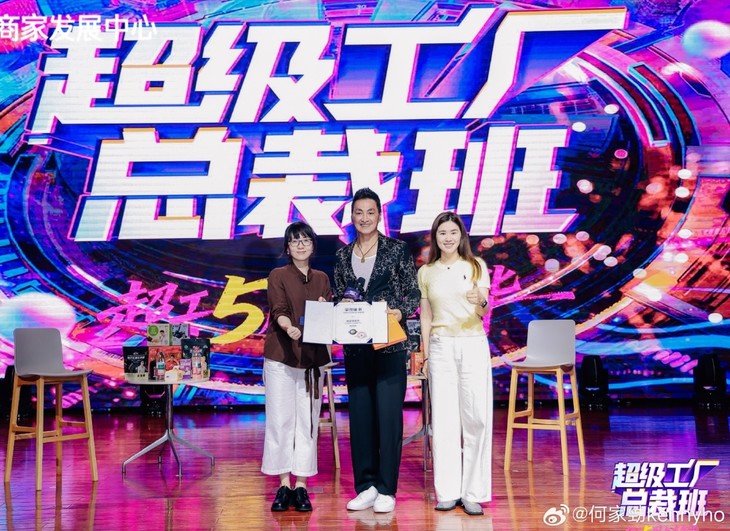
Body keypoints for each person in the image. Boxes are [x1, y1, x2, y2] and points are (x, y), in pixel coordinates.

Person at [334, 187, 420, 514]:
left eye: (370, 212)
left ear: (379, 215)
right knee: (360, 417)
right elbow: (339, 295)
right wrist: (339, 306)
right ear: (352, 217)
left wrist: (399, 312)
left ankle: (386, 488)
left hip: (389, 345)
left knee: (388, 417)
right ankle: (366, 485)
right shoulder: (342, 255)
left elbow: (412, 293)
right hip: (356, 347)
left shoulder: (397, 250)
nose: (364, 218)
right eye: (359, 212)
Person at [418, 211, 492, 516]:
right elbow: (426, 316)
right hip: (440, 346)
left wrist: (480, 300)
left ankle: (473, 492)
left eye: (452, 232)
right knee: (445, 420)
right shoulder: (426, 272)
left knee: (477, 418)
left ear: (461, 236)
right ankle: (447, 491)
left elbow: (483, 310)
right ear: (435, 238)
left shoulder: (476, 266)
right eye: (442, 233)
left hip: (472, 343)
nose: (447, 238)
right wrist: (424, 355)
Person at [262, 221, 332, 512]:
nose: (301, 245)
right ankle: (283, 484)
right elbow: (278, 308)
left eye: (306, 240)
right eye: (295, 241)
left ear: (313, 245)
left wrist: (325, 309)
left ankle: (301, 485)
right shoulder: (277, 275)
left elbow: (326, 316)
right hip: (281, 356)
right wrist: (287, 326)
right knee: (280, 421)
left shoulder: (322, 278)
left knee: (308, 422)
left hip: (312, 361)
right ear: (287, 248)